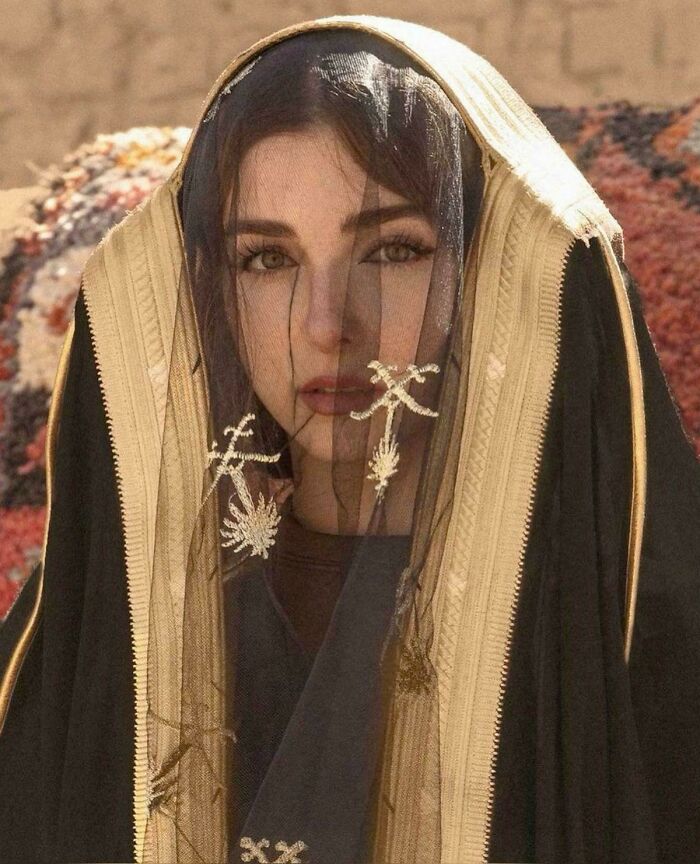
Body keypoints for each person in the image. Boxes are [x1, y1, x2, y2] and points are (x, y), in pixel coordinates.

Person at [1, 14, 699, 864]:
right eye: (266, 259)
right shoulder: (121, 609)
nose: (327, 325)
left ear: (493, 276)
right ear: (208, 294)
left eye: (394, 250)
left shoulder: (616, 622)